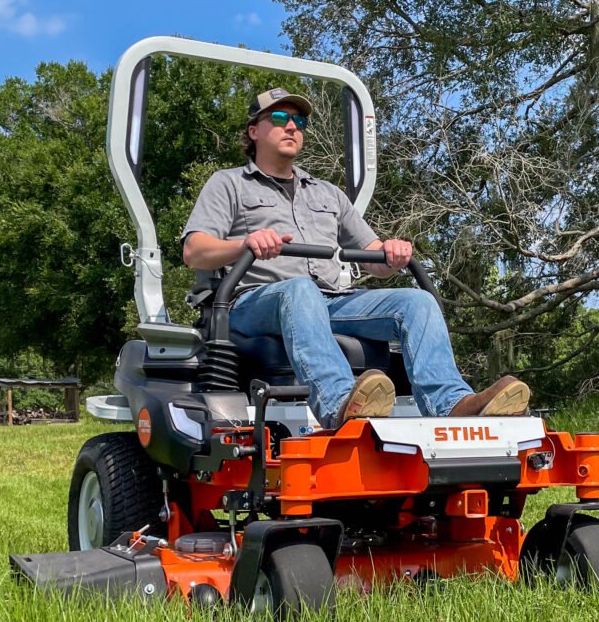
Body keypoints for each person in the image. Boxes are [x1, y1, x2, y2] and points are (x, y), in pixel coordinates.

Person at [180, 87, 530, 427]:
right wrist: (245, 244)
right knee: (298, 290)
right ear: (254, 130)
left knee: (417, 302)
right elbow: (194, 251)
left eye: (299, 122)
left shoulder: (327, 194)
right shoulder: (228, 184)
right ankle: (340, 405)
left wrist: (389, 252)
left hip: (330, 302)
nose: (292, 127)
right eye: (281, 117)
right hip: (253, 305)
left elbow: (373, 261)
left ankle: (451, 404)